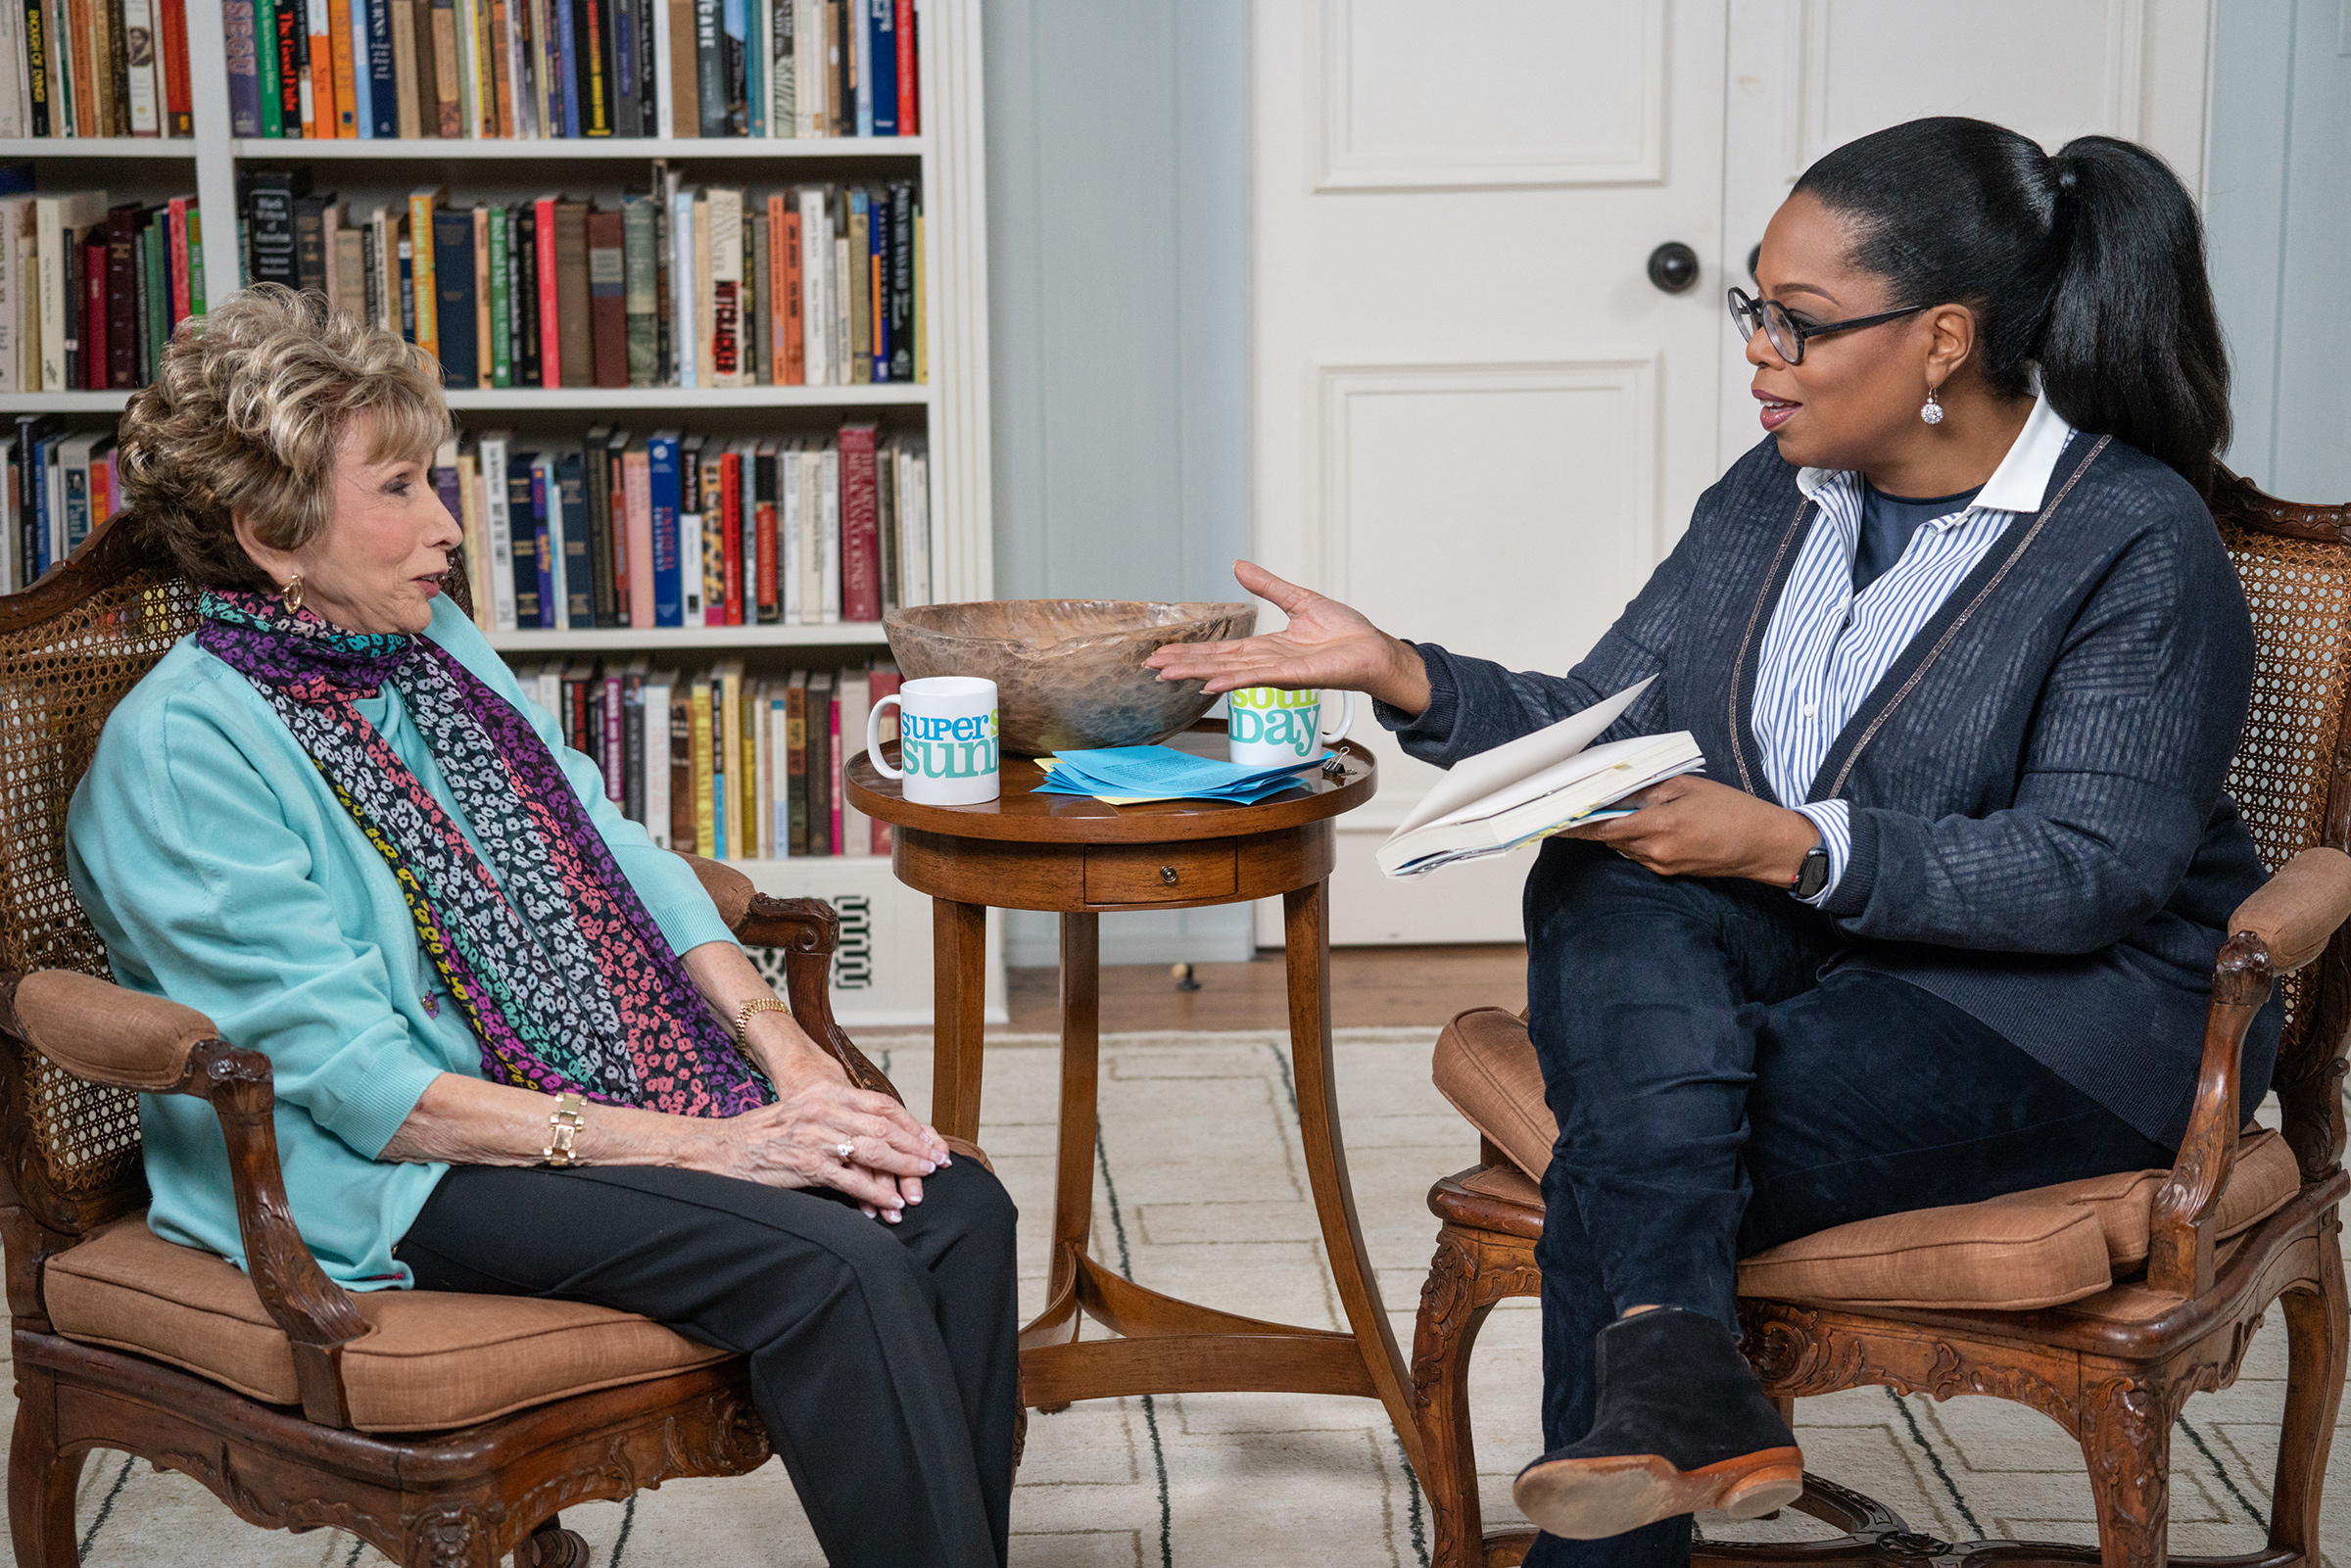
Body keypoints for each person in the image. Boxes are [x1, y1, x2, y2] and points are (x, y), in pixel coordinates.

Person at [1148, 118, 2272, 1565]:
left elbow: (2088, 871)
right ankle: (1681, 1367)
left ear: (1942, 341)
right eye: (1756, 306)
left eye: (1801, 324)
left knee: (1624, 1155)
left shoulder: (2131, 537)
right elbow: (1602, 726)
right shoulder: (1772, 497)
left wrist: (1794, 845)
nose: (1760, 353)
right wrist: (1400, 672)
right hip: (1818, 948)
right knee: (1599, 853)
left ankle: (1635, 1449)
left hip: (2062, 1010)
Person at [67, 285, 1019, 1568]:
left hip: (543, 1087)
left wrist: (793, 1056)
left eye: (434, 482)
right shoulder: (185, 749)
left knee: (956, 1203)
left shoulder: (429, 645)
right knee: (838, 1255)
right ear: (269, 532)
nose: (446, 527)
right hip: (386, 1172)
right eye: (398, 488)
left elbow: (613, 846)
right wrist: (716, 1144)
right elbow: (370, 1091)